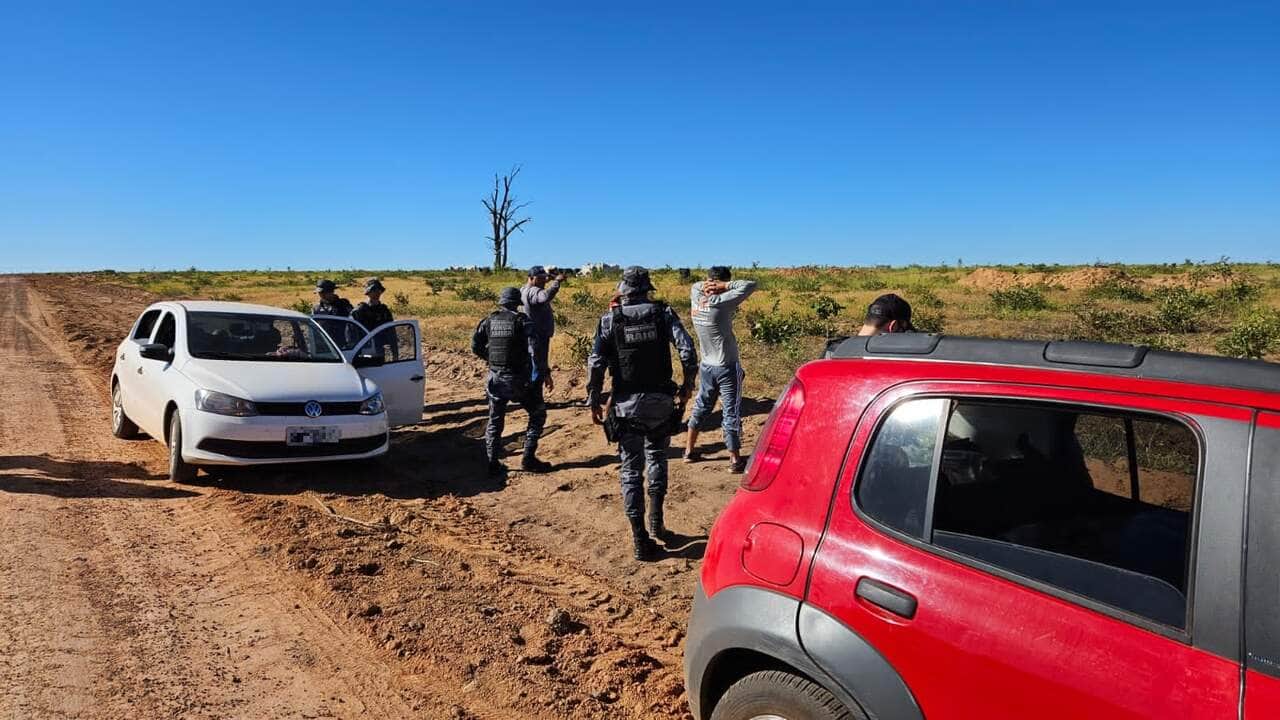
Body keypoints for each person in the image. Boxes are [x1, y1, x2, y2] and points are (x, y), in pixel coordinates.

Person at [586, 266, 698, 561]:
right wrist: (688, 386)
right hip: (660, 402)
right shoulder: (663, 314)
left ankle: (639, 538)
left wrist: (594, 399)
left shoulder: (609, 319)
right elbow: (687, 351)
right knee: (657, 457)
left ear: (622, 290)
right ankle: (657, 523)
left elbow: (596, 362)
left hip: (624, 405)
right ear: (648, 288)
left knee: (630, 470)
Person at [683, 266, 758, 473]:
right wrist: (725, 286)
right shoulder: (721, 302)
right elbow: (751, 285)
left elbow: (696, 285)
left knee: (701, 406)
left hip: (706, 365)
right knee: (731, 412)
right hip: (726, 366)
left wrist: (709, 285)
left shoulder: (696, 295)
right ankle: (735, 460)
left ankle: (689, 451)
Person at [472, 288, 552, 474]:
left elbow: (475, 346)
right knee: (538, 414)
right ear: (518, 302)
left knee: (495, 419)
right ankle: (528, 458)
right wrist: (541, 373)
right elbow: (536, 350)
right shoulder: (523, 321)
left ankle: (492, 463)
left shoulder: (488, 321)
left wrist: (490, 359)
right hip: (518, 379)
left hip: (495, 377)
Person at [520, 265, 565, 392]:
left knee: (533, 362)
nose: (543, 281)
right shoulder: (535, 291)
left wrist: (549, 278)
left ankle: (531, 391)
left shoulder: (524, 289)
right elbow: (545, 297)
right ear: (532, 278)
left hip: (530, 333)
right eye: (540, 278)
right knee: (538, 365)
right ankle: (535, 396)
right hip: (538, 334)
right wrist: (557, 282)